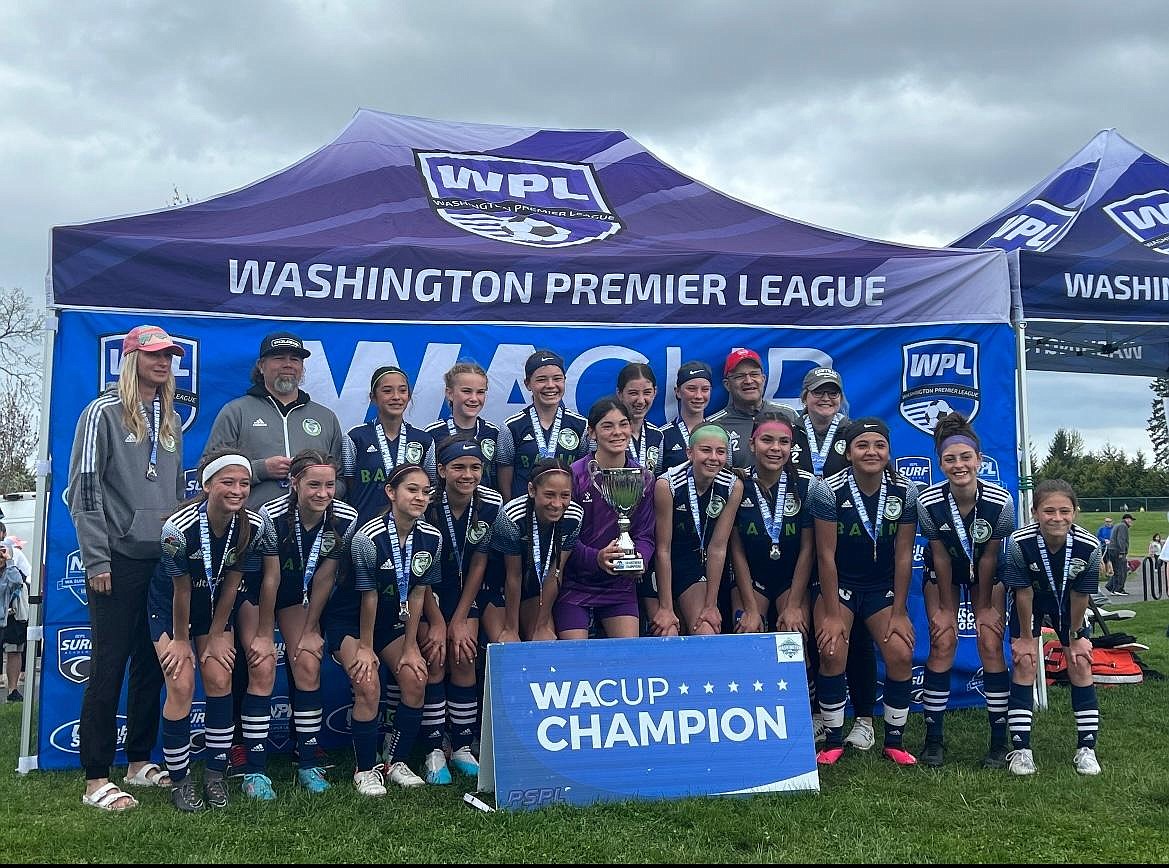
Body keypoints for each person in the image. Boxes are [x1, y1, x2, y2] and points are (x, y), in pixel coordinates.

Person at [68, 324, 186, 812]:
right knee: (109, 664)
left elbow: (175, 492)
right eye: (155, 355)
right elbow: (84, 491)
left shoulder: (171, 418)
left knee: (152, 665)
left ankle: (138, 761)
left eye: (169, 356)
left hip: (159, 559)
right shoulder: (102, 412)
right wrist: (97, 558)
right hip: (115, 559)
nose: (163, 363)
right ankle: (96, 777)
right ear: (132, 358)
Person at [149, 450, 271, 812]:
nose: (237, 490)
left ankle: (216, 774)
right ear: (206, 485)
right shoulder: (177, 528)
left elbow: (233, 583)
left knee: (219, 677)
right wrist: (183, 641)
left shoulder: (254, 526)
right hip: (171, 608)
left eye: (244, 483)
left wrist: (217, 634)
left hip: (216, 606)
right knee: (182, 683)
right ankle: (180, 779)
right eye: (227, 482)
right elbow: (181, 590)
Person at [811, 418, 919, 767]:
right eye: (862, 445)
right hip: (839, 585)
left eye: (879, 445)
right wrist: (830, 613)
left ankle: (894, 741)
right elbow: (825, 556)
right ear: (849, 451)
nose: (871, 452)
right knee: (830, 652)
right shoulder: (827, 489)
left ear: (888, 452)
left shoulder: (906, 492)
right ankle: (832, 740)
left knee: (901, 653)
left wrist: (900, 611)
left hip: (880, 588)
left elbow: (904, 555)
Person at [254, 450, 360, 795]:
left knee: (307, 662)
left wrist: (312, 629)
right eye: (314, 485)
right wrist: (263, 633)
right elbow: (270, 578)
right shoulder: (270, 514)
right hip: (269, 594)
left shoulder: (345, 516)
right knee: (272, 664)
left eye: (330, 485)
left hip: (310, 595)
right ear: (293, 483)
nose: (323, 493)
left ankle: (309, 761)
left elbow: (326, 575)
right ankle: (255, 768)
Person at [915, 413, 1016, 768]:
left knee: (990, 641)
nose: (959, 465)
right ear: (941, 463)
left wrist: (985, 605)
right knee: (943, 640)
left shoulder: (1001, 501)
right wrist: (945, 606)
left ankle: (999, 741)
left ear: (979, 460)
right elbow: (939, 555)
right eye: (950, 459)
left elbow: (991, 555)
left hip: (986, 573)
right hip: (943, 572)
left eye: (965, 457)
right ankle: (934, 739)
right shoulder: (928, 501)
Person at [793, 365, 878, 752]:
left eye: (832, 393)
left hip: (842, 547)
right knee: (812, 632)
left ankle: (863, 717)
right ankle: (814, 712)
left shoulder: (853, 432)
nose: (825, 399)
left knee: (855, 633)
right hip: (793, 542)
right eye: (817, 393)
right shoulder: (790, 430)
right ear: (804, 397)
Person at [350, 463, 443, 789]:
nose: (420, 497)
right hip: (352, 623)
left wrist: (409, 646)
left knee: (416, 677)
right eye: (411, 490)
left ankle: (396, 762)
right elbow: (368, 598)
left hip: (392, 623)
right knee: (368, 682)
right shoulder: (367, 537)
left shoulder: (432, 538)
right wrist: (364, 647)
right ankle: (364, 769)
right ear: (391, 492)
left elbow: (418, 594)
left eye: (425, 492)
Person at [1001, 479, 1103, 776]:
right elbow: (1023, 593)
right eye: (1049, 511)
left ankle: (1087, 749)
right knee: (1025, 662)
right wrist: (1024, 637)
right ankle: (1021, 751)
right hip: (1031, 604)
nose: (1057, 518)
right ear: (1035, 513)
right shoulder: (1020, 543)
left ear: (1075, 512)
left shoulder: (1090, 546)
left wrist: (1075, 637)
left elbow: (1080, 594)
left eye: (1064, 511)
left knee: (1081, 662)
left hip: (1070, 607)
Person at [418, 437, 503, 784]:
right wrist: (440, 622)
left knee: (465, 653)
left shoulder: (489, 503)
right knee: (436, 656)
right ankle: (434, 747)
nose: (467, 475)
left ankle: (463, 745)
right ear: (441, 470)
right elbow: (416, 568)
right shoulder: (426, 504)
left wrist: (461, 618)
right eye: (458, 467)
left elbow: (481, 562)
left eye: (475, 467)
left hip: (467, 594)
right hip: (425, 593)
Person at [204, 331, 348, 509]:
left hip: (311, 528)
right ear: (261, 366)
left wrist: (318, 484)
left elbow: (341, 480)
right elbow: (209, 472)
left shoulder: (325, 417)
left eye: (295, 359)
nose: (288, 365)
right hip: (251, 525)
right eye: (279, 358)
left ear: (302, 367)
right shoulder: (236, 412)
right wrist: (260, 469)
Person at [557, 398, 655, 641]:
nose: (617, 432)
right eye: (607, 426)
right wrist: (596, 558)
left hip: (620, 586)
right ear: (592, 432)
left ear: (632, 428)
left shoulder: (643, 478)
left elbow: (645, 534)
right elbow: (563, 536)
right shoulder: (574, 475)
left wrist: (639, 558)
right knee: (575, 657)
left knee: (626, 656)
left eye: (623, 424)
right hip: (575, 584)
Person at [724, 412, 815, 636]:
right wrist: (751, 609)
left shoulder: (806, 485)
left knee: (794, 636)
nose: (776, 448)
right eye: (767, 440)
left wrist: (793, 605)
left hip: (791, 579)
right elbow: (736, 551)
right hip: (751, 579)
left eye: (784, 442)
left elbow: (808, 549)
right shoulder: (737, 484)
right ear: (752, 444)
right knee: (748, 633)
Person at [652, 425, 741, 636]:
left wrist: (711, 605)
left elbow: (718, 548)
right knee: (667, 633)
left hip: (696, 565)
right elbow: (662, 549)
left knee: (706, 630)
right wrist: (666, 607)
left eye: (720, 452)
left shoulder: (732, 486)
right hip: (662, 564)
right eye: (705, 450)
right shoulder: (667, 485)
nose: (713, 458)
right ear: (689, 453)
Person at [483, 459, 583, 642]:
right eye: (549, 495)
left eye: (565, 495)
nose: (557, 503)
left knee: (544, 644)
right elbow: (513, 576)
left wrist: (542, 624)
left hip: (533, 589)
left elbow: (555, 573)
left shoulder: (574, 517)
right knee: (509, 647)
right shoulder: (512, 516)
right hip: (498, 586)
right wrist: (511, 628)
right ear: (532, 490)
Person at [344, 365, 437, 526]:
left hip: (412, 528)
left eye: (402, 391)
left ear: (409, 396)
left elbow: (432, 485)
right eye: (387, 391)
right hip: (366, 526)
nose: (396, 397)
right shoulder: (355, 438)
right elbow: (348, 485)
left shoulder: (424, 440)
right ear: (373, 397)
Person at [498, 350, 588, 500]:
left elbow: (584, 473)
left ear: (564, 380)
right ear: (527, 384)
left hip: (566, 510)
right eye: (541, 380)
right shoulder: (511, 427)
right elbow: (504, 475)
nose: (550, 385)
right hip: (523, 514)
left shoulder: (581, 426)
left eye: (557, 379)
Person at [425, 362, 508, 493]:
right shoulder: (432, 433)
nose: (474, 398)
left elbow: (499, 477)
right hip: (441, 508)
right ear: (449, 393)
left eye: (480, 392)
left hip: (484, 508)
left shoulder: (494, 433)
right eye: (466, 391)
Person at [708, 348, 794, 469]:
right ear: (727, 384)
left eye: (754, 374)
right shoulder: (714, 426)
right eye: (740, 376)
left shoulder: (789, 415)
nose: (748, 381)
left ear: (763, 379)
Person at [660, 360, 713, 474]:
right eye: (691, 389)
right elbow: (655, 477)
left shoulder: (720, 433)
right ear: (678, 392)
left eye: (705, 389)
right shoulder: (662, 435)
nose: (698, 396)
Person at [616, 363, 665, 475]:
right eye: (633, 393)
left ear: (655, 392)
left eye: (647, 392)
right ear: (619, 394)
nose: (641, 401)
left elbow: (656, 476)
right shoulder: (608, 433)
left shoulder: (657, 435)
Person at [0, 541, 29, 703]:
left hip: (12, 618)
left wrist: (9, 561)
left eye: (2, 551)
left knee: (14, 651)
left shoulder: (12, 571)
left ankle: (13, 689)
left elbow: (17, 582)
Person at [1105, 512, 1134, 595]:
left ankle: (1111, 587)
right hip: (1117, 550)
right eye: (1131, 520)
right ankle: (1119, 589)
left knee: (1117, 570)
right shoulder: (1123, 526)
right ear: (1127, 519)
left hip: (1112, 549)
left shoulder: (1118, 525)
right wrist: (1122, 552)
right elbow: (1121, 539)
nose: (1131, 522)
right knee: (1122, 570)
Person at [1095, 516, 1115, 582]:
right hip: (1104, 547)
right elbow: (1098, 536)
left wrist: (1111, 541)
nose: (1108, 523)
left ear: (1112, 522)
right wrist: (1104, 540)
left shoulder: (1114, 529)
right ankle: (1105, 573)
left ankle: (1112, 573)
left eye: (1109, 522)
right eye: (1106, 522)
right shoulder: (1102, 529)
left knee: (1112, 560)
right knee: (1105, 560)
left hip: (1112, 547)